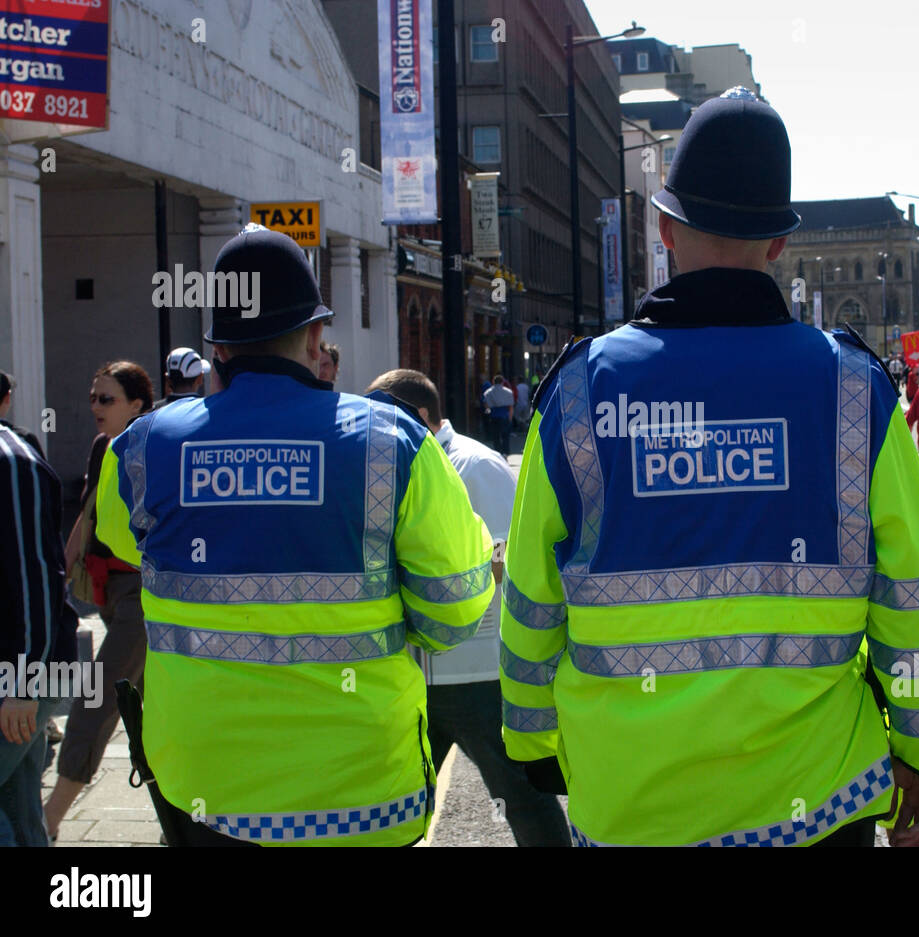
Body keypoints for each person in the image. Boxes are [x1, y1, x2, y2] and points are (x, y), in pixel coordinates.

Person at [499, 88, 919, 847]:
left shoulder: (581, 391)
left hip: (631, 812)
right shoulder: (854, 389)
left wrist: (534, 745)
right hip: (815, 807)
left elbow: (530, 601)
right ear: (780, 243)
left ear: (663, 227)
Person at [93, 227, 494, 845]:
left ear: (219, 348)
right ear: (314, 336)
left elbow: (125, 544)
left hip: (204, 794)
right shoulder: (392, 444)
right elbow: (454, 610)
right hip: (363, 801)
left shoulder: (144, 446)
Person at [365, 369, 570, 847]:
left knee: (524, 801)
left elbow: (507, 559)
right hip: (415, 674)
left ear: (418, 416)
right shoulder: (393, 464)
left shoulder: (477, 464)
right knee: (391, 807)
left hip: (477, 675)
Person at [45, 361, 153, 840]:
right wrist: (57, 574)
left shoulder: (153, 449)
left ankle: (49, 820)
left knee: (97, 698)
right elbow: (87, 515)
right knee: (154, 709)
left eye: (106, 399)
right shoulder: (103, 448)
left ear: (137, 404)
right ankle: (190, 815)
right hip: (109, 593)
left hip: (145, 595)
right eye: (93, 397)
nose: (95, 407)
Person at [1, 423, 79, 846]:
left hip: (25, 669)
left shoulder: (12, 462)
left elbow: (36, 578)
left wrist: (23, 681)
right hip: (23, 669)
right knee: (19, 809)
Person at [480, 375, 514, 458]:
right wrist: (510, 417)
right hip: (504, 415)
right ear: (502, 382)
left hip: (494, 415)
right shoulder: (508, 392)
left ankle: (498, 451)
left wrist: (488, 409)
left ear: (493, 382)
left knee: (496, 436)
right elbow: (510, 407)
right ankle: (505, 452)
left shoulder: (488, 392)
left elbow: (485, 403)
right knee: (505, 435)